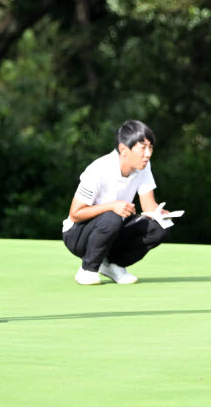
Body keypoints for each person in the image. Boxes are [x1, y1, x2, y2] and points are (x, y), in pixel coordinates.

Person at [62, 120, 171, 285]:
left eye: (150, 148)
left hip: (113, 230)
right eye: (143, 148)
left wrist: (160, 214)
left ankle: (114, 266)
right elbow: (75, 214)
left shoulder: (144, 166)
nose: (148, 154)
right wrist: (112, 206)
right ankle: (88, 269)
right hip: (77, 235)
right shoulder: (98, 170)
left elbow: (149, 207)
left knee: (159, 227)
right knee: (111, 216)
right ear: (123, 149)